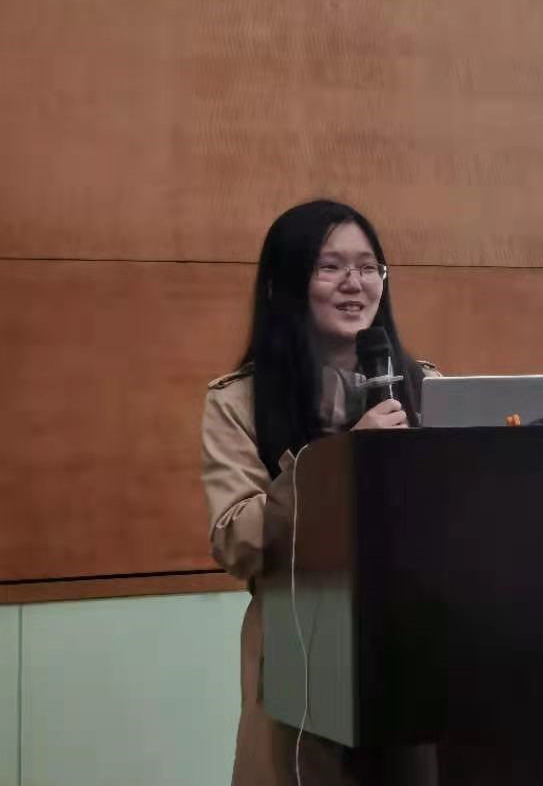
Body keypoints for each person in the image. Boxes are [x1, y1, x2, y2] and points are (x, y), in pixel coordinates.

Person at [201, 200, 438, 786]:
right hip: (300, 650)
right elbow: (237, 540)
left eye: (368, 266)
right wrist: (338, 462)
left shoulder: (427, 388)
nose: (355, 284)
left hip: (414, 644)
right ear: (286, 283)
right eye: (330, 267)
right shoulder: (238, 401)